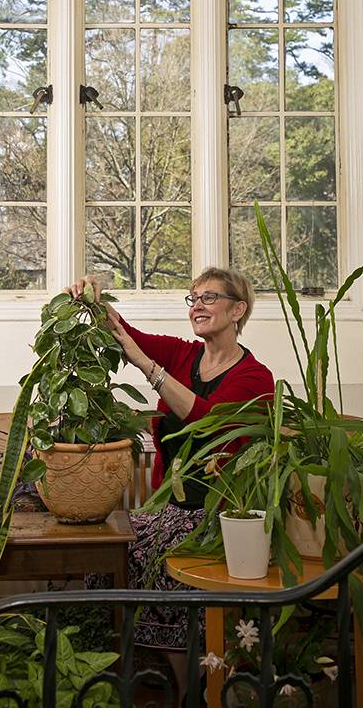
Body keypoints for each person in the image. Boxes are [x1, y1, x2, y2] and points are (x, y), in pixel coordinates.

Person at [68, 267, 275, 701]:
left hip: (218, 514)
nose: (197, 305)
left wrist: (148, 369)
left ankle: (190, 690)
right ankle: (122, 671)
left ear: (238, 310)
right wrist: (91, 297)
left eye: (209, 297)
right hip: (168, 505)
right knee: (106, 545)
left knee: (162, 549)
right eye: (192, 297)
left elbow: (205, 424)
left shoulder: (255, 377)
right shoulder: (184, 356)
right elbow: (122, 333)